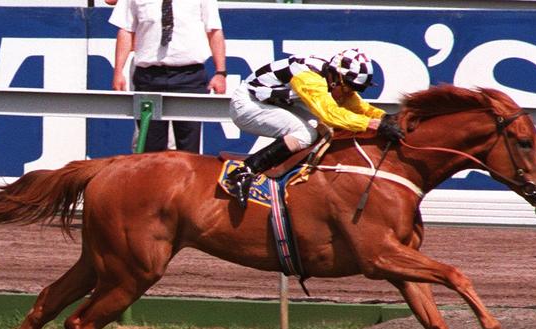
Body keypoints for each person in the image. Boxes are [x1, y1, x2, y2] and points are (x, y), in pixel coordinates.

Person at [228, 48, 404, 208]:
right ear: (337, 79)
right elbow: (331, 114)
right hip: (247, 105)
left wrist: (386, 118)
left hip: (269, 101)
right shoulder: (309, 78)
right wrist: (374, 125)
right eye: (350, 88)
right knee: (305, 133)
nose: (351, 93)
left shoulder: (332, 77)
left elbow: (359, 108)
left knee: (319, 130)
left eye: (357, 89)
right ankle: (245, 171)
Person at [109, 0, 227, 153]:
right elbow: (125, 30)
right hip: (149, 77)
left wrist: (220, 72)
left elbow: (214, 30)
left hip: (189, 77)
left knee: (189, 147)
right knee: (149, 147)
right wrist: (118, 71)